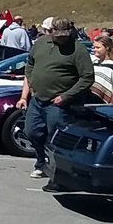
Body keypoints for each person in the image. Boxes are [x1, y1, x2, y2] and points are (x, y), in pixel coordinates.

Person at [18, 17, 94, 179]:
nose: (61, 38)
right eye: (58, 35)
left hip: (60, 103)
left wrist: (66, 96)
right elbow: (30, 63)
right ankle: (41, 160)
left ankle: (57, 170)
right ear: (51, 32)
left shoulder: (78, 50)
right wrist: (31, 83)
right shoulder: (40, 43)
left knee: (56, 137)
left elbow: (87, 77)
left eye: (64, 35)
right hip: (38, 99)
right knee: (31, 131)